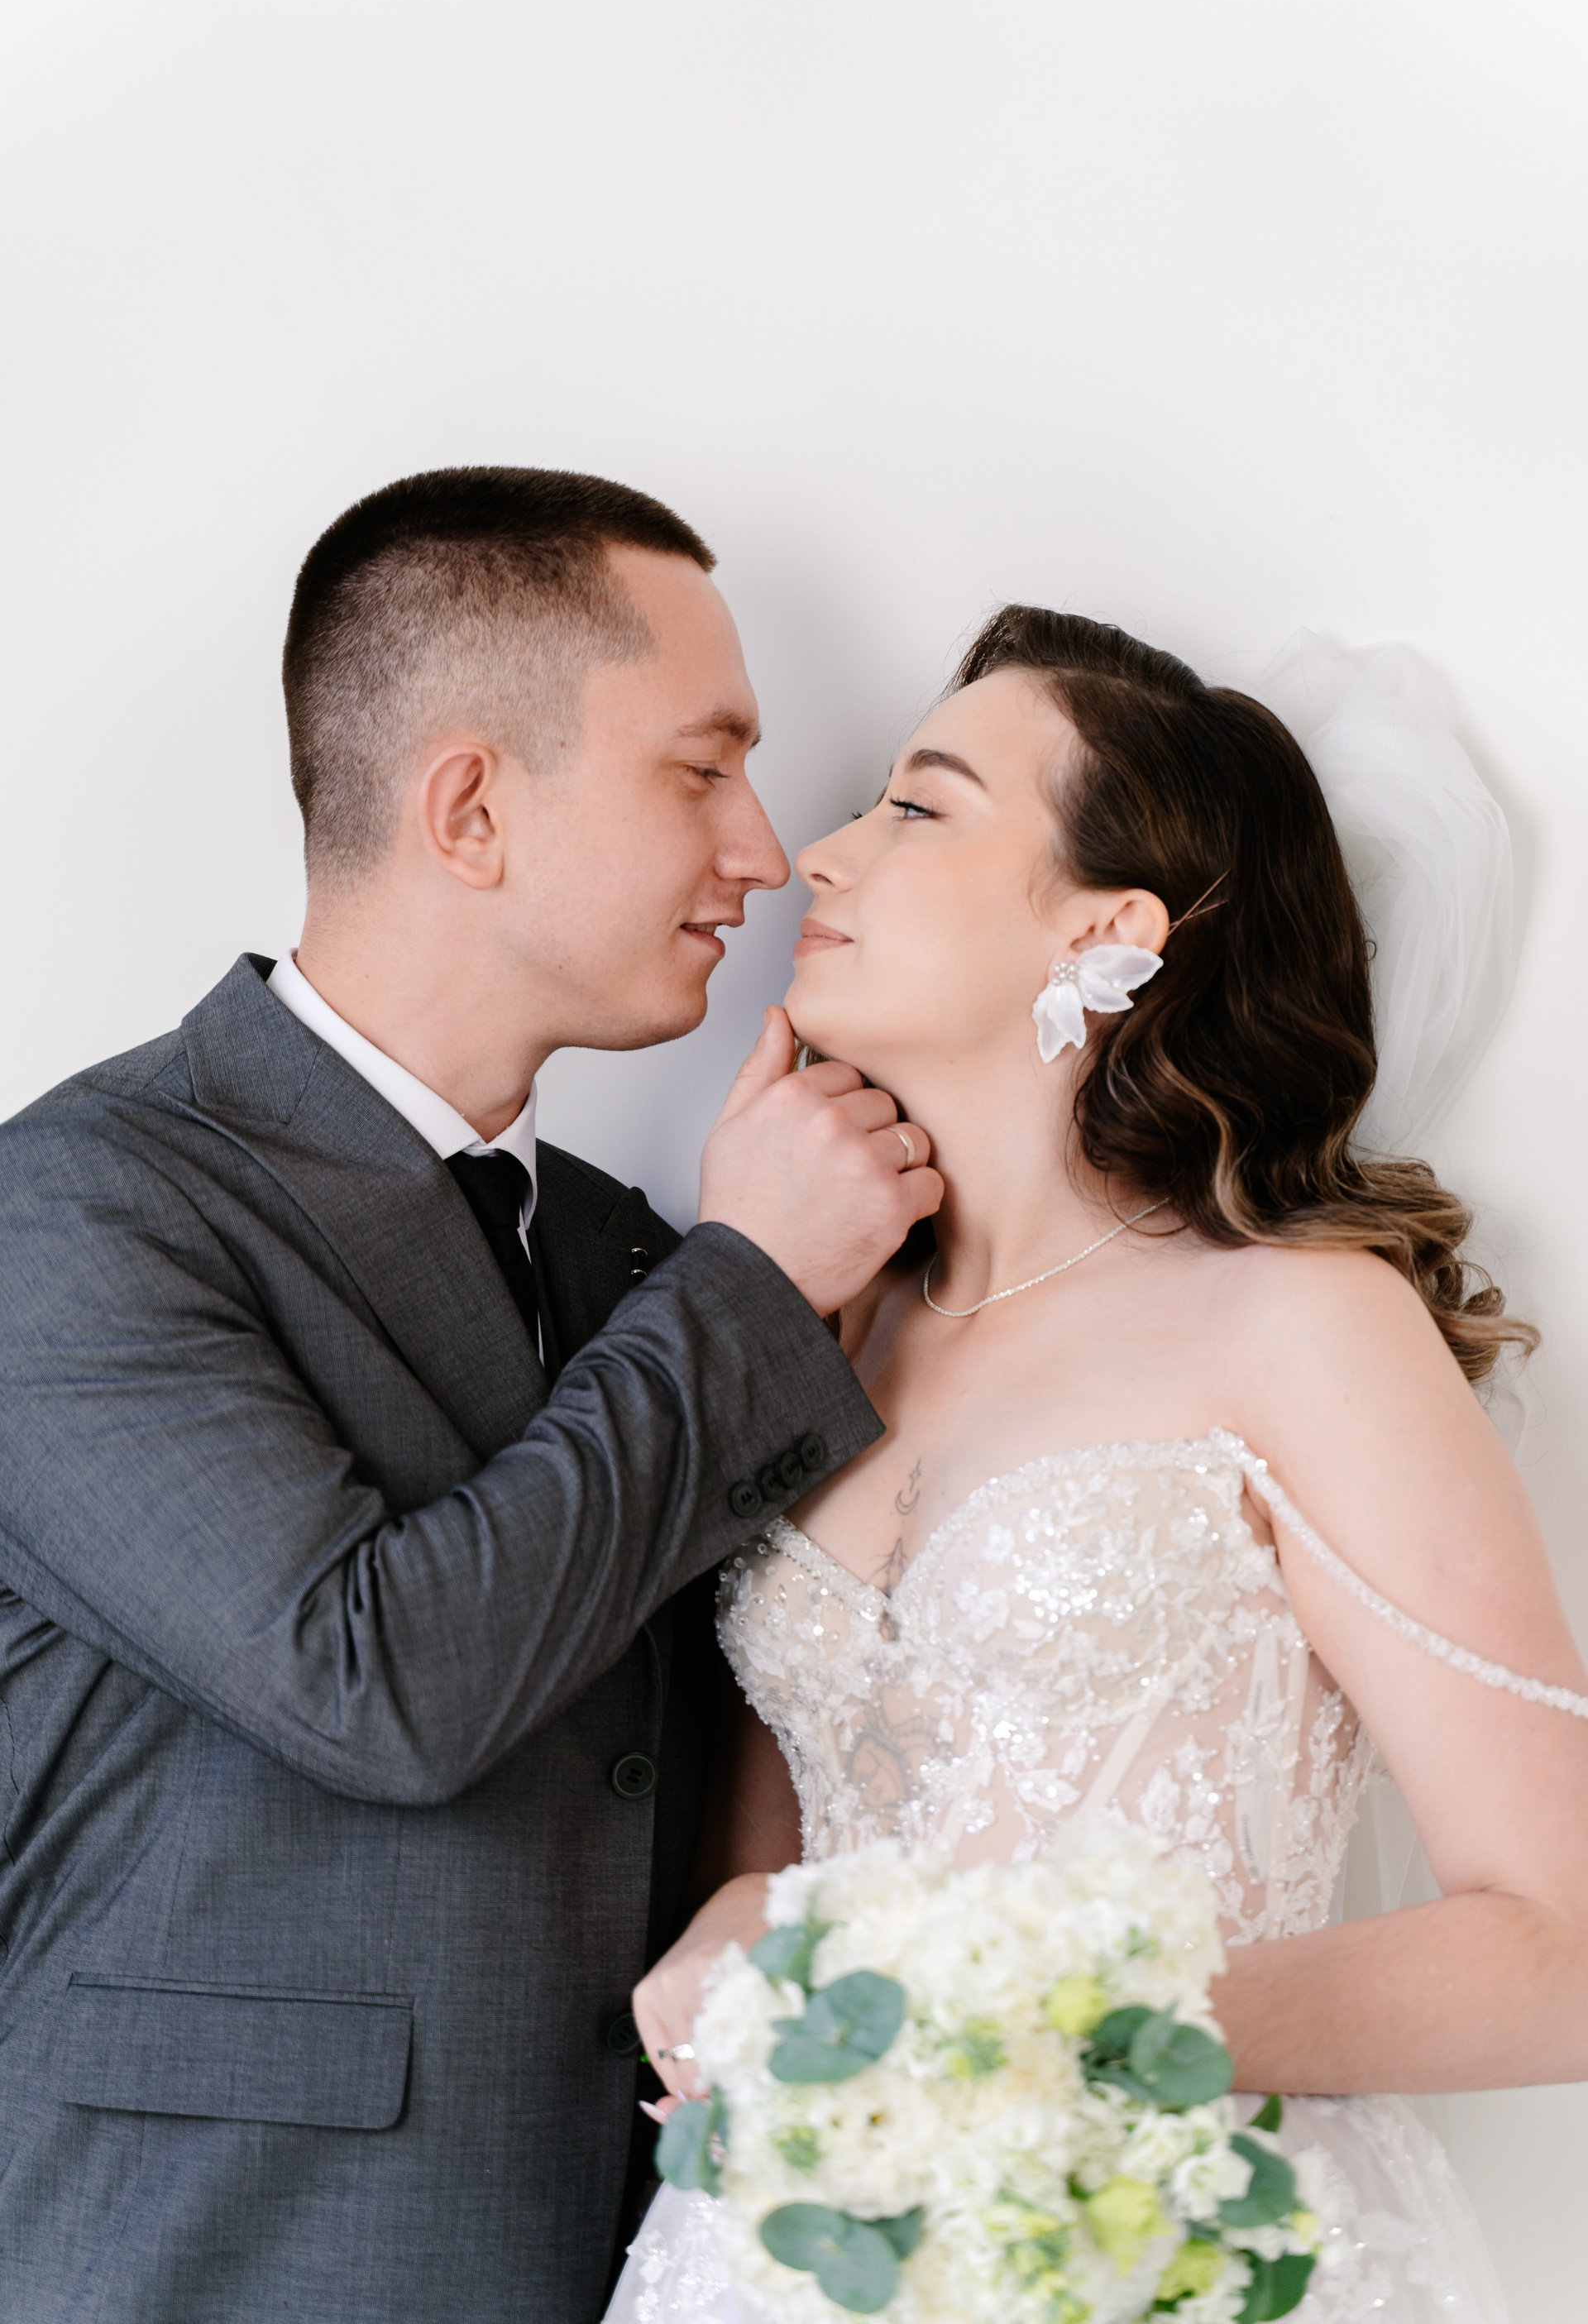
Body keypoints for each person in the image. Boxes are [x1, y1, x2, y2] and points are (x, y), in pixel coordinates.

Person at [0, 467, 945, 2324]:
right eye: (702, 771)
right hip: (213, 2263)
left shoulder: (627, 1246)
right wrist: (753, 1287)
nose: (763, 854)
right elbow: (370, 1682)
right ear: (468, 809)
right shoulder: (76, 1208)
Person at [611, 609, 1588, 2324]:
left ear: (1106, 930)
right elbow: (778, 1866)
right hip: (804, 2251)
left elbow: (1563, 1945)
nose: (820, 852)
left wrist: (1048, 2036)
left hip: (1178, 2240)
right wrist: (732, 1931)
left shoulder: (1300, 1324)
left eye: (919, 807)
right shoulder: (830, 1330)